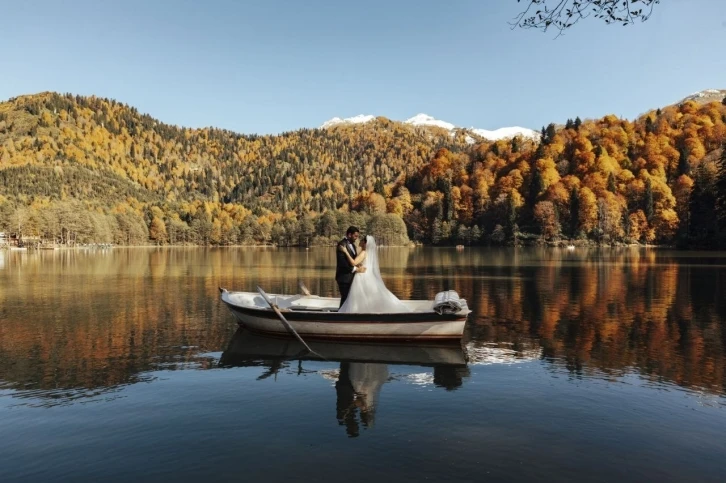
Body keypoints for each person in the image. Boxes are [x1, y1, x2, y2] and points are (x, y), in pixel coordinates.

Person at [337, 235, 411, 313]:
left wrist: (345, 251)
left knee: (360, 295)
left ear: (365, 243)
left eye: (362, 240)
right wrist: (359, 265)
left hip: (362, 276)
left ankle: (359, 311)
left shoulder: (364, 252)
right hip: (367, 274)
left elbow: (353, 262)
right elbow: (360, 263)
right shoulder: (367, 253)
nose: (360, 241)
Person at [336, 226, 366, 308]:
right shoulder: (342, 244)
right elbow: (342, 263)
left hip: (350, 277)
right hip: (343, 277)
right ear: (349, 235)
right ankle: (340, 316)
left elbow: (353, 260)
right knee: (345, 298)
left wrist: (358, 265)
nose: (356, 238)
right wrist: (356, 269)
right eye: (355, 236)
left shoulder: (353, 245)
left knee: (349, 299)